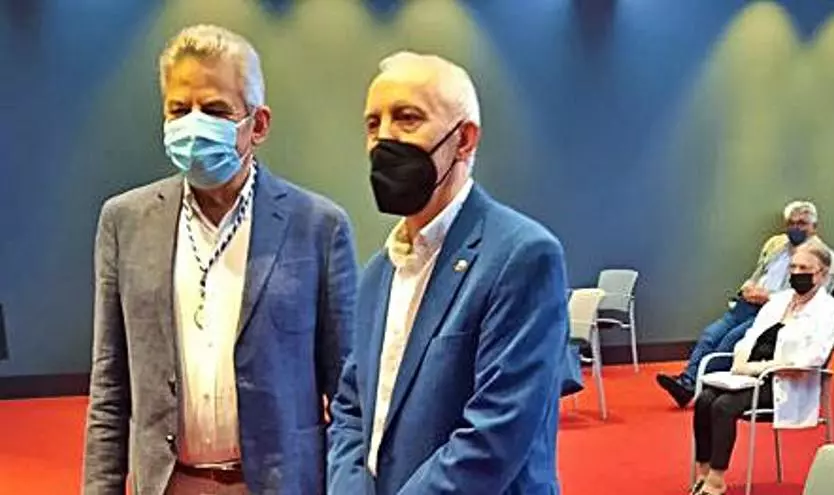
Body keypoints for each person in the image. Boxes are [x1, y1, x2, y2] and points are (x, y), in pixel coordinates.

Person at [82, 25, 357, 495]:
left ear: (258, 124)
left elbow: (350, 394)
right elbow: (109, 387)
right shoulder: (124, 222)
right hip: (169, 483)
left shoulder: (319, 227)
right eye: (178, 109)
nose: (193, 125)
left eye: (214, 110)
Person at [327, 52, 569, 494]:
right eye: (373, 123)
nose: (384, 138)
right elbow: (351, 411)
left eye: (407, 118)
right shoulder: (378, 273)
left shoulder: (523, 256)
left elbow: (494, 436)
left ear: (464, 140)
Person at [690, 240, 834, 495]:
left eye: (804, 268)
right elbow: (750, 336)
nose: (796, 273)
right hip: (751, 376)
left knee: (724, 405)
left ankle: (716, 481)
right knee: (705, 399)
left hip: (786, 382)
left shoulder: (829, 309)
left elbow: (815, 356)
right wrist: (742, 361)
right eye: (793, 267)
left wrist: (767, 367)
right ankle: (703, 472)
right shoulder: (778, 301)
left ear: (823, 273)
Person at [657, 200, 834, 408]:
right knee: (711, 334)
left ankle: (701, 387)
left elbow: (813, 295)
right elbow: (758, 274)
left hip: (774, 311)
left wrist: (768, 297)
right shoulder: (778, 248)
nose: (795, 228)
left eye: (802, 223)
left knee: (730, 340)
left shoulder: (825, 258)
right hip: (748, 303)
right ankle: (687, 379)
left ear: (814, 226)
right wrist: (748, 287)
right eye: (791, 223)